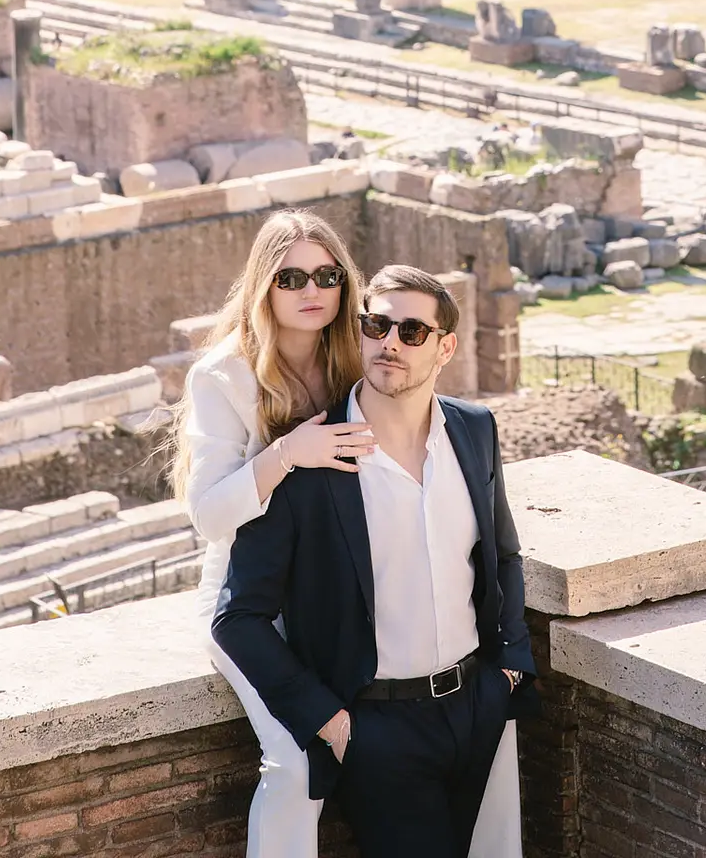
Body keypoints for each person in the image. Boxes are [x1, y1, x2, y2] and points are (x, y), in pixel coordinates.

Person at [213, 264, 535, 858]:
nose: (390, 342)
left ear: (445, 348)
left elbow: (503, 554)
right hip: (377, 728)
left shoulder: (474, 429)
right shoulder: (307, 456)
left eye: (412, 332)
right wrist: (333, 725)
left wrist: (509, 669)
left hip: (476, 706)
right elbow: (238, 618)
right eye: (376, 324)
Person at [176, 209, 375, 858]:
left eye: (326, 274)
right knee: (294, 760)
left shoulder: (355, 357)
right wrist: (288, 452)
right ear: (263, 285)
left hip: (337, 591)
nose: (311, 290)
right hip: (246, 602)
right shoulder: (222, 376)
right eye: (290, 278)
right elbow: (206, 515)